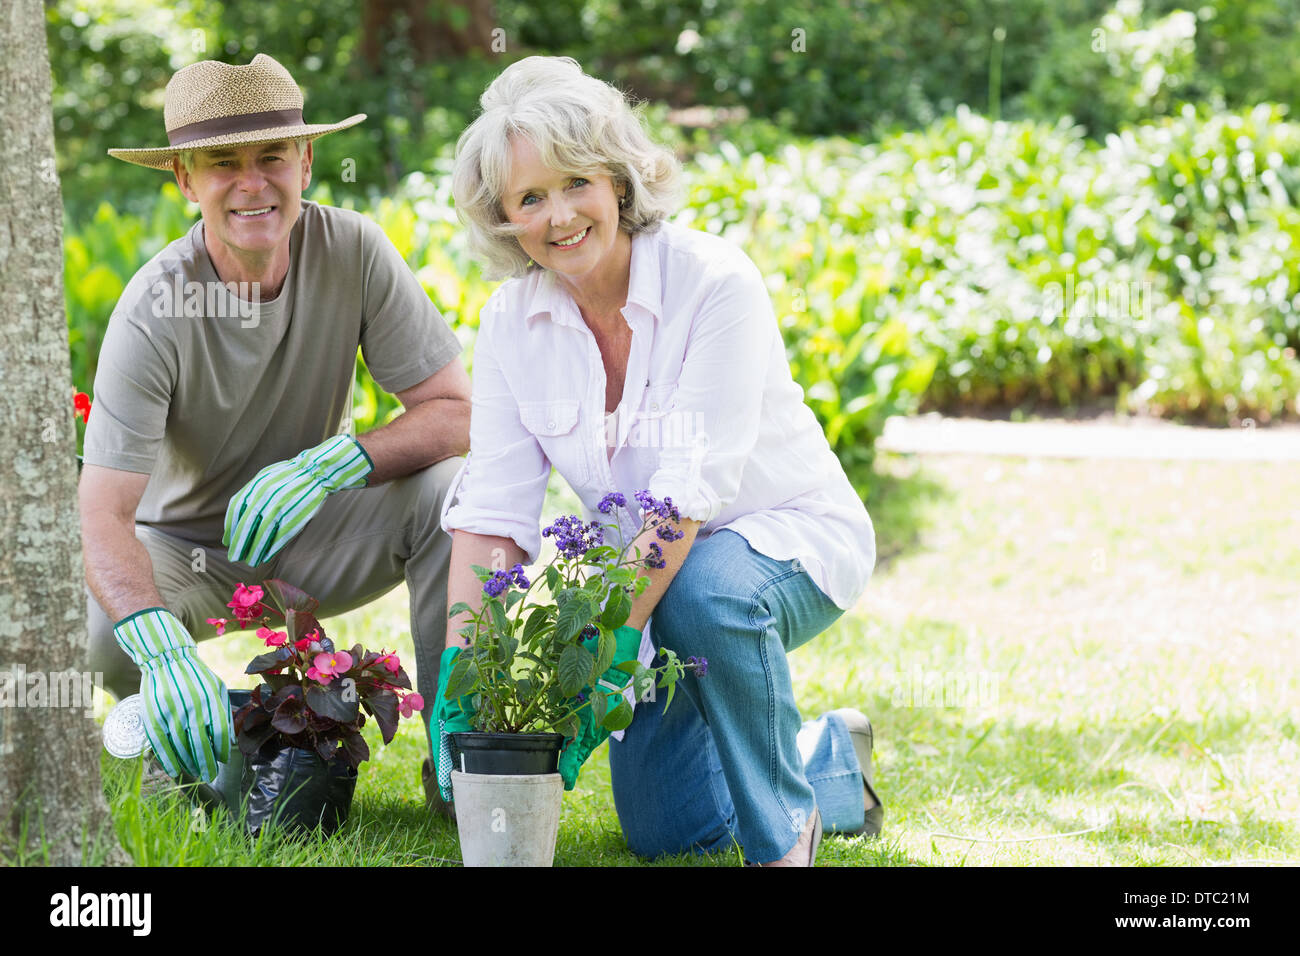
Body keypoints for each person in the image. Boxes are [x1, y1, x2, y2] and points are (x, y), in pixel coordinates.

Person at [437, 56, 883, 865]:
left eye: (575, 182)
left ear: (616, 179)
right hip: (648, 579)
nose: (560, 215)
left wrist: (609, 646)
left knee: (704, 596)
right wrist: (460, 668)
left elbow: (687, 495)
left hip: (780, 542)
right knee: (664, 832)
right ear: (504, 219)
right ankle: (825, 755)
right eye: (530, 199)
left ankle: (785, 831)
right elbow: (493, 510)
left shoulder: (713, 282)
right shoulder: (511, 321)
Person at [81, 54, 470, 812]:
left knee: (453, 497)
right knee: (104, 633)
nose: (253, 183)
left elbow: (457, 412)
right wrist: (154, 639)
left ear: (308, 160)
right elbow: (103, 513)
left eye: (272, 157)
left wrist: (339, 462)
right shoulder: (153, 307)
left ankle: (460, 754)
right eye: (223, 163)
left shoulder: (353, 250)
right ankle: (212, 719)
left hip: (315, 528)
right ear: (185, 181)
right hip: (189, 551)